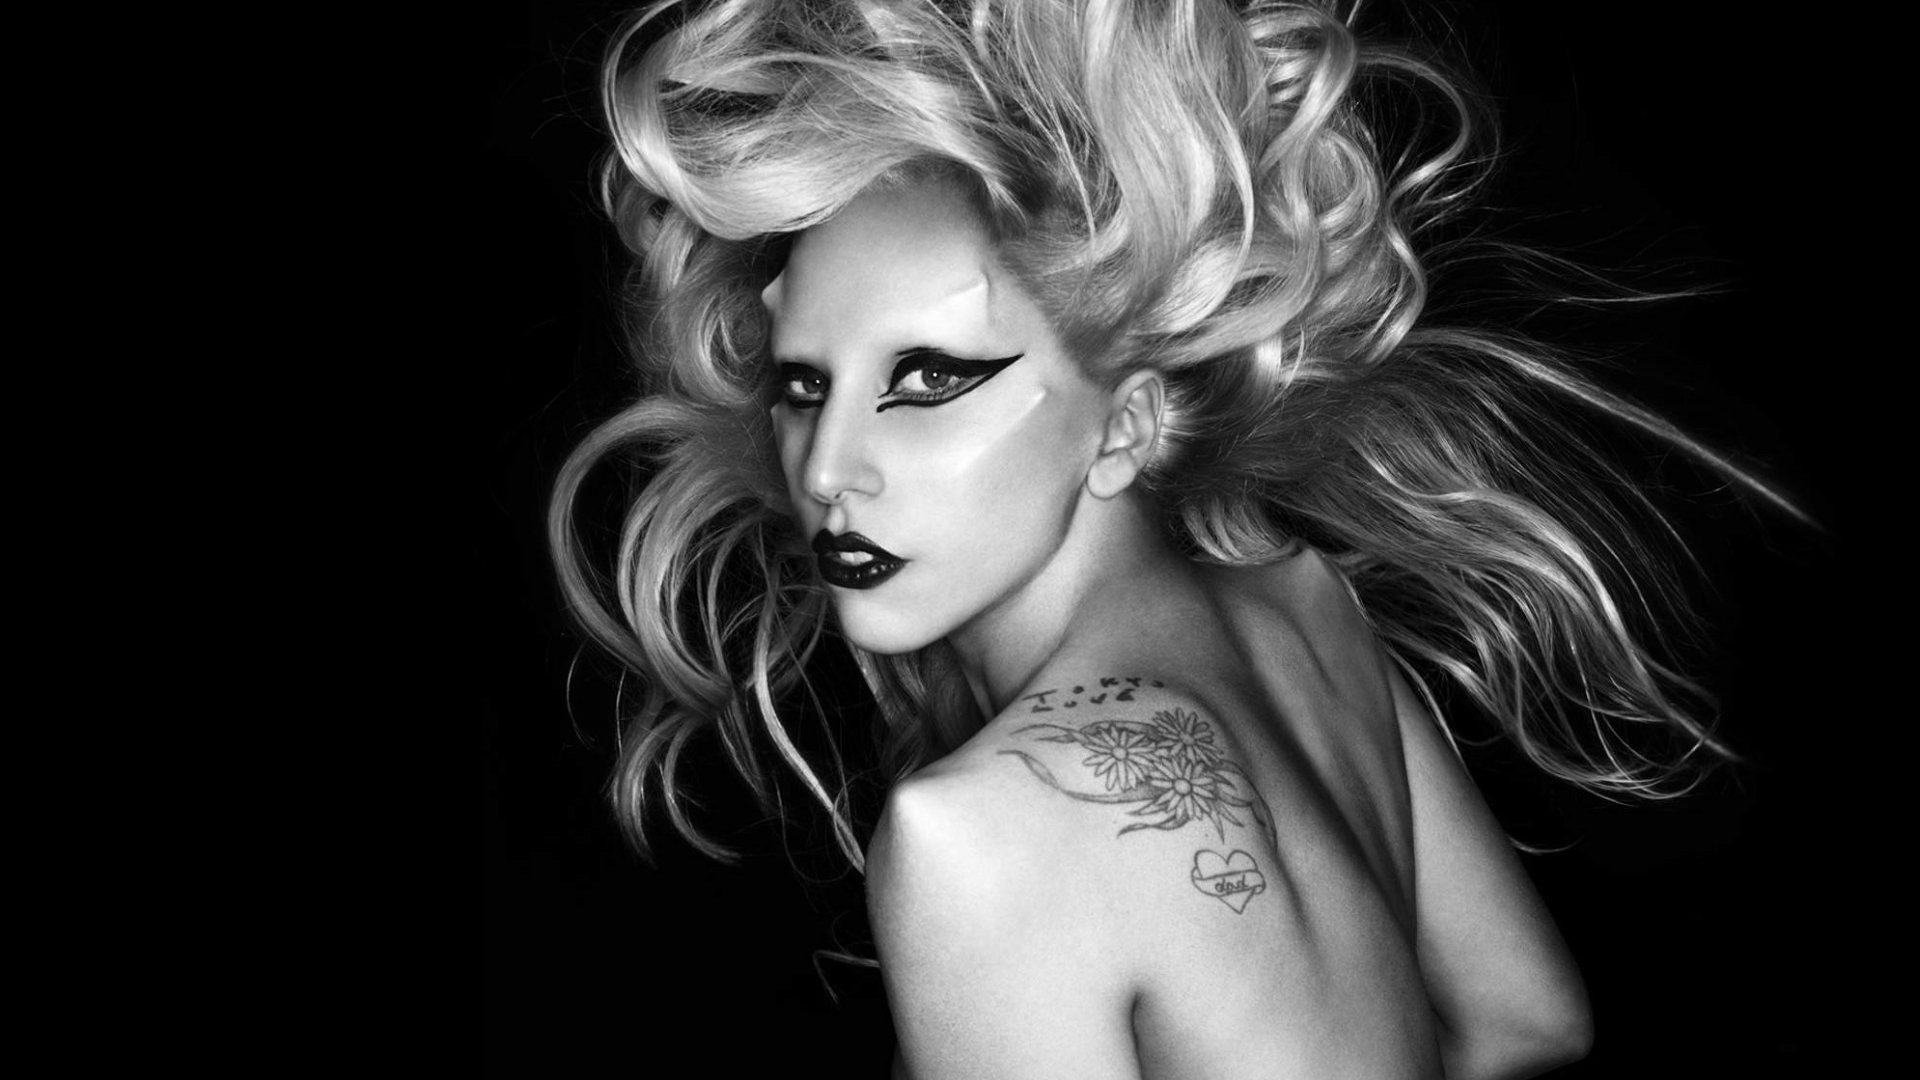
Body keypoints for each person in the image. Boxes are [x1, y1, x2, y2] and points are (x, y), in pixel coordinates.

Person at [541, 1, 1805, 1076]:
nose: (826, 468)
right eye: (805, 384)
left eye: (928, 381)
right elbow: (1529, 1017)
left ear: (1128, 421)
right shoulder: (1303, 603)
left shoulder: (981, 837)